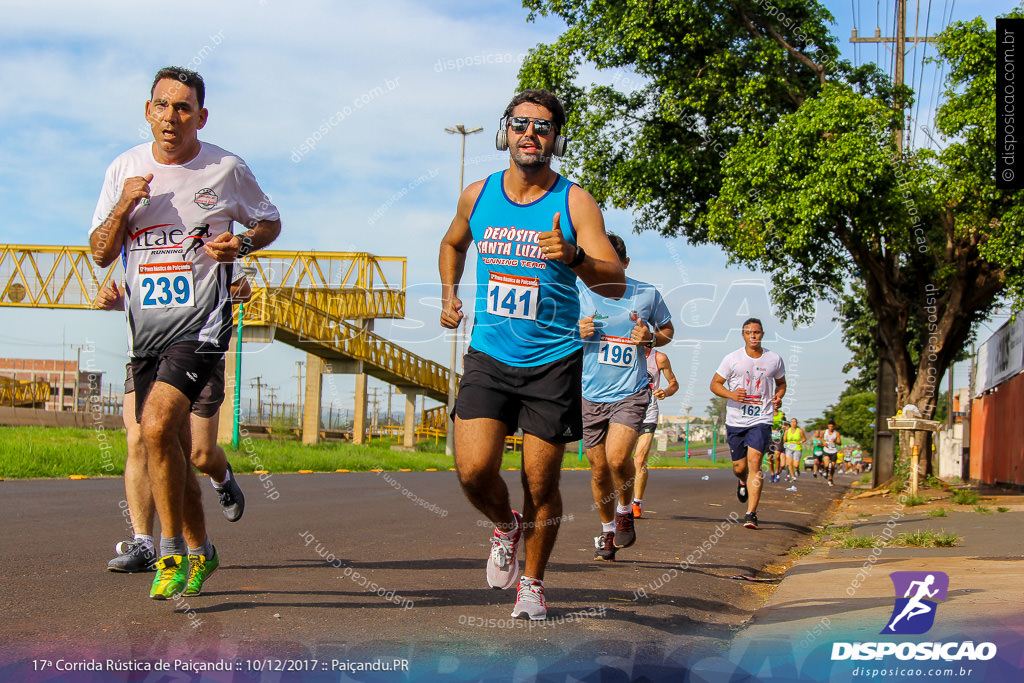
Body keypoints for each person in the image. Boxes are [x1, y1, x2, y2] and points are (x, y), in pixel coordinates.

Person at [88, 66, 280, 600]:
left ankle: (165, 550)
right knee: (168, 444)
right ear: (147, 110)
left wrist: (240, 246)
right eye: (162, 105)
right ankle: (202, 548)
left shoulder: (225, 168)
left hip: (202, 325)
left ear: (201, 115)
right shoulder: (124, 168)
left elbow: (269, 220)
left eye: (183, 107)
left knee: (155, 428)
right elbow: (101, 252)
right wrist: (126, 204)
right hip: (144, 333)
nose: (172, 117)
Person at [438, 89, 625, 620]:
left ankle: (534, 585)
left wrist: (576, 255)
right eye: (520, 124)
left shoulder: (574, 202)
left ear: (554, 139)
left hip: (553, 361)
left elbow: (613, 282)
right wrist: (450, 293)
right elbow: (453, 243)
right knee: (473, 472)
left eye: (541, 127)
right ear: (505, 131)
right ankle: (505, 526)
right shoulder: (478, 195)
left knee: (540, 482)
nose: (529, 134)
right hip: (489, 356)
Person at [96, 280, 248, 582]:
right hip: (148, 351)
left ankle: (222, 478)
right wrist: (116, 301)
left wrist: (206, 297)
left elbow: (243, 290)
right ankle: (144, 544)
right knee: (140, 437)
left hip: (199, 348)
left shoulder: (208, 235)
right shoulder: (136, 239)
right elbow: (134, 293)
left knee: (199, 454)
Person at [577, 234, 674, 561]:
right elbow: (555, 330)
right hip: (590, 393)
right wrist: (577, 332)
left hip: (630, 392)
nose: (602, 270)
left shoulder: (646, 293)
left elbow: (668, 331)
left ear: (625, 263)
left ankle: (624, 511)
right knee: (599, 470)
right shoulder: (578, 290)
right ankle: (606, 533)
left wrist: (651, 338)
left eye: (610, 263)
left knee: (619, 459)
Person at [709, 318, 786, 529]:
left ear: (762, 334)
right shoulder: (732, 358)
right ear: (743, 335)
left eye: (757, 332)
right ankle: (742, 480)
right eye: (749, 332)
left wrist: (778, 396)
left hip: (762, 417)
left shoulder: (774, 359)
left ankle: (751, 513)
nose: (753, 336)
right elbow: (714, 384)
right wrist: (731, 394)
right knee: (739, 467)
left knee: (755, 462)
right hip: (736, 419)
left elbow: (781, 383)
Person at [631, 345, 678, 520]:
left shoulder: (660, 358)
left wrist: (665, 391)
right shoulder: (626, 352)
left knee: (640, 459)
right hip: (625, 412)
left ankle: (636, 502)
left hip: (648, 413)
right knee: (618, 459)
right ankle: (623, 499)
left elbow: (674, 383)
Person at [821, 420, 842, 487]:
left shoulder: (836, 433)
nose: (831, 428)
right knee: (826, 465)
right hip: (826, 450)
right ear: (828, 426)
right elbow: (821, 438)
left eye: (832, 426)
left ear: (834, 427)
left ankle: (830, 478)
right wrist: (823, 442)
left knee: (833, 466)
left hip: (833, 451)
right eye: (830, 426)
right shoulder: (824, 432)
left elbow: (840, 443)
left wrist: (835, 441)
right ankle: (826, 471)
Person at [767, 409, 786, 483]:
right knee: (770, 457)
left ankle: (777, 472)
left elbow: (785, 421)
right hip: (770, 436)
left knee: (777, 455)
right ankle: (772, 473)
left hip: (778, 437)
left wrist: (783, 426)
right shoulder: (768, 412)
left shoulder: (782, 413)